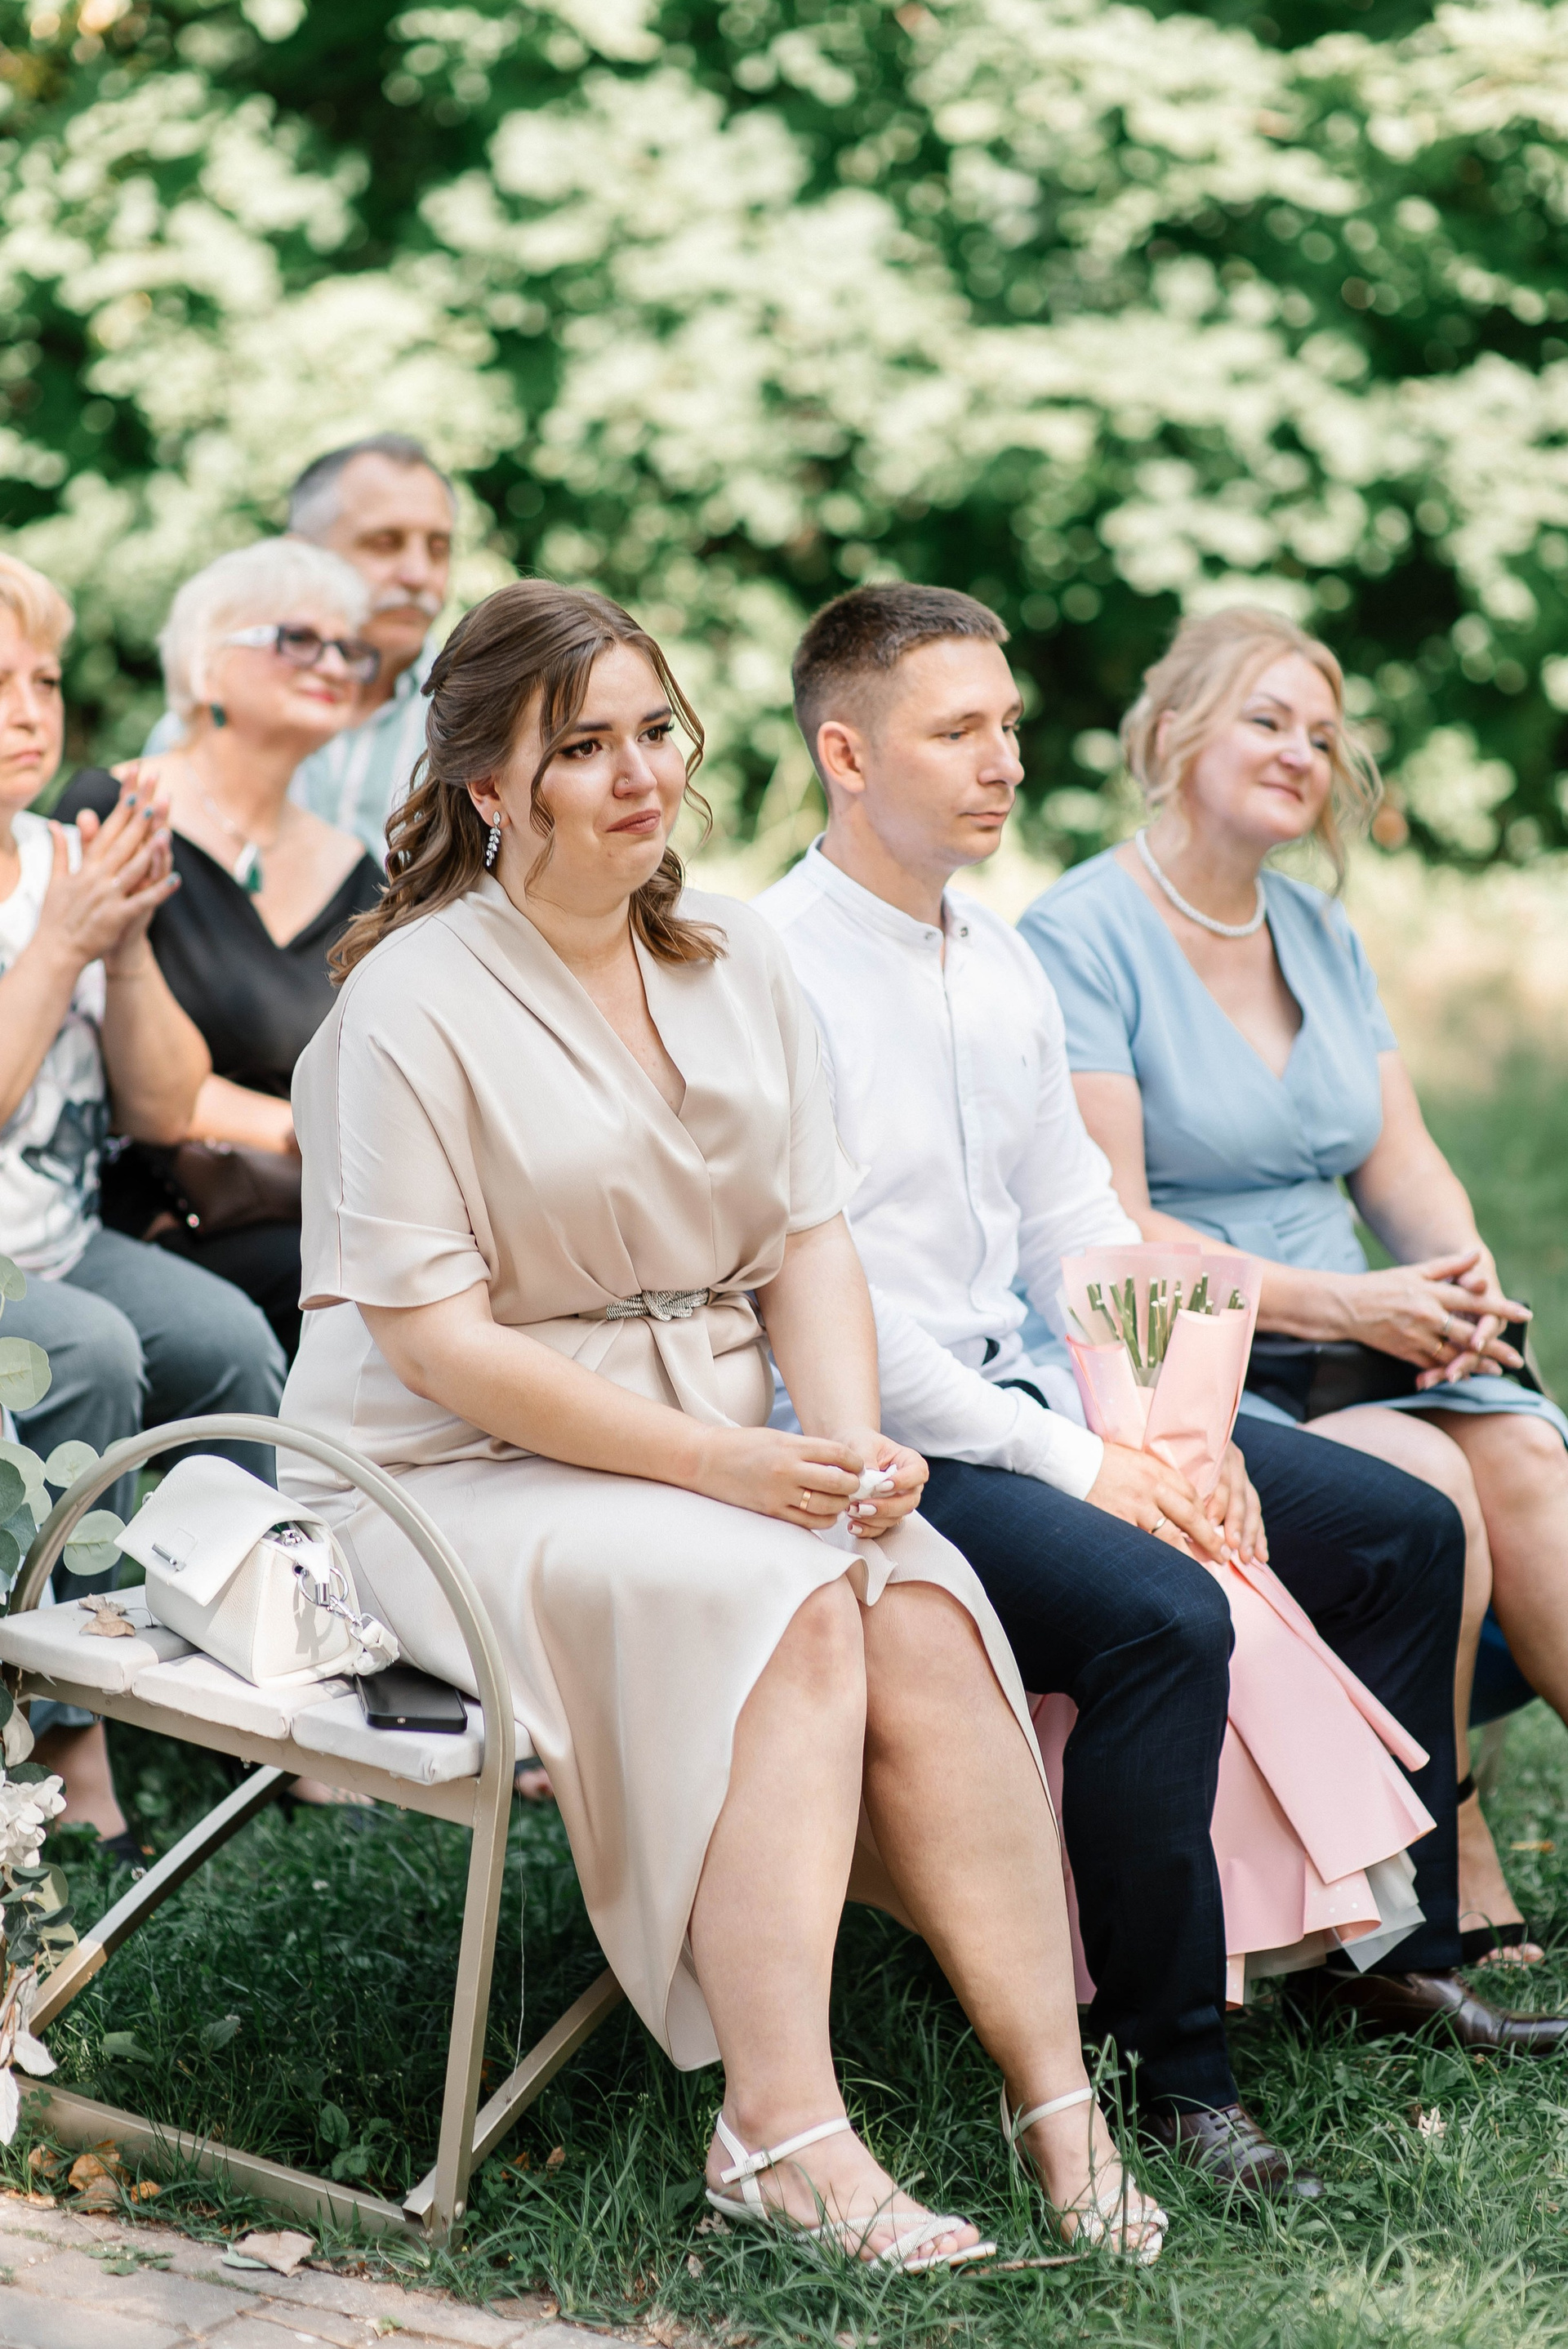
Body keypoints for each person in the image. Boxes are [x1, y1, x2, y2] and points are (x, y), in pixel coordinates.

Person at [275, 578, 1169, 2265]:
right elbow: (437, 1346)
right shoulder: (406, 1002)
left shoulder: (738, 955)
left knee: (911, 1598)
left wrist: (851, 1448)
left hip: (712, 1445)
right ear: (487, 784)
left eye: (656, 733)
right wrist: (733, 1464)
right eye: (582, 748)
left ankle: (1062, 2111)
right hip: (447, 1473)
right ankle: (783, 2129)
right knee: (795, 1605)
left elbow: (808, 1237)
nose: (638, 775)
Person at [754, 582, 1567, 2204]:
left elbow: (1081, 1227)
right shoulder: (772, 974)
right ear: (847, 754)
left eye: (1007, 726)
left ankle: (1381, 1955)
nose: (1005, 762)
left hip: (1048, 1393)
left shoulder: (994, 955)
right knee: (1162, 1615)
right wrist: (1089, 1464)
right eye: (958, 732)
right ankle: (1175, 2071)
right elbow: (834, 1322)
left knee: (1401, 1530)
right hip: (893, 1440)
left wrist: (1174, 1422)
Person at [1021, 604, 1568, 1968]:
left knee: (1524, 1457)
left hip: (1363, 1330)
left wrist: (1454, 1278)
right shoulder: (1079, 933)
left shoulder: (1320, 928)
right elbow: (1116, 1222)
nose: (1300, 754)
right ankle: (1445, 1849)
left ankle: (1447, 1815)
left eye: (1322, 737)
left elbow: (1401, 1158)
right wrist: (1352, 1306)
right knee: (1433, 1484)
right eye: (1266, 720)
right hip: (1190, 1355)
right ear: (1173, 735)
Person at [0, 550, 285, 1852]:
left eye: (46, 682)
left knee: (226, 1342)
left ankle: (237, 1680)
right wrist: (60, 942)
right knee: (90, 1354)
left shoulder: (68, 855)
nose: (30, 713)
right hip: (29, 1283)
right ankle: (65, 1729)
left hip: (55, 1239)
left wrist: (119, 948)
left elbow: (162, 1104)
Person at [60, 540, 385, 1359]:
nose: (333, 664)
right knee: (358, 1304)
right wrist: (306, 1129)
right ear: (207, 666)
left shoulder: (362, 872)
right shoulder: (116, 810)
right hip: (158, 1204)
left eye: (349, 647)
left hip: (318, 1202)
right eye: (297, 639)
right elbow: (112, 1071)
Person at [145, 434, 454, 861]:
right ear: (302, 555)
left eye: (439, 549)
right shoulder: (207, 724)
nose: (418, 574)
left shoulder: (478, 722)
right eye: (385, 543)